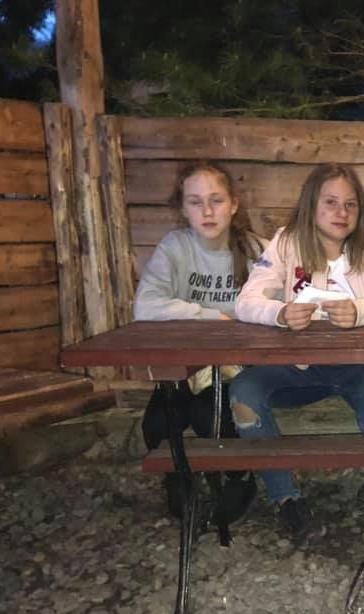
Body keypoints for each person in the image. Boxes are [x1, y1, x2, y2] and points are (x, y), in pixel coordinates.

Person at [231, 162, 364, 541]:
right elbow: (246, 301)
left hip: (363, 365)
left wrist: (359, 311)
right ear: (311, 204)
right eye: (330, 202)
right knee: (244, 392)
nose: (341, 212)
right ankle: (285, 496)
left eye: (350, 204)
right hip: (300, 366)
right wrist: (280, 313)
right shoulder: (286, 241)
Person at [134, 160, 263, 539]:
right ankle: (178, 478)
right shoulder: (176, 247)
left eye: (216, 200)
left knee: (213, 417)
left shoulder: (257, 250)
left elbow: (279, 304)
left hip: (237, 364)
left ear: (233, 205)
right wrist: (211, 316)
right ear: (183, 207)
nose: (207, 211)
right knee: (157, 423)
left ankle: (240, 477)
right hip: (185, 363)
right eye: (195, 202)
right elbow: (146, 306)